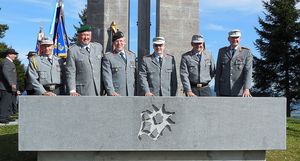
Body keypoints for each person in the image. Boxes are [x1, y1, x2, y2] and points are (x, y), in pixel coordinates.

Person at [65, 24, 103, 96]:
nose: (86, 37)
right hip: (82, 90)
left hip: (98, 89)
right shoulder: (73, 50)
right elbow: (70, 71)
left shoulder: (98, 47)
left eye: (88, 35)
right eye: (84, 35)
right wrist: (72, 90)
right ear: (79, 36)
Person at [215, 29, 253, 97]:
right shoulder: (222, 51)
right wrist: (217, 89)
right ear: (228, 39)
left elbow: (248, 71)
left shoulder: (246, 52)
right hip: (224, 90)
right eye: (232, 37)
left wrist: (246, 88)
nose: (235, 39)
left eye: (237, 37)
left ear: (240, 39)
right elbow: (218, 71)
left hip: (239, 90)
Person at [102, 31, 136, 96]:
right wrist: (111, 91)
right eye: (117, 41)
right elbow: (107, 76)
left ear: (124, 42)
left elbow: (135, 76)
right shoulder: (108, 57)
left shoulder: (132, 55)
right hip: (116, 94)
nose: (119, 43)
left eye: (121, 41)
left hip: (131, 93)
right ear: (113, 43)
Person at [0, 49, 19, 123]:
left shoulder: (8, 62)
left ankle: (6, 116)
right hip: (5, 87)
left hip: (7, 87)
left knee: (8, 102)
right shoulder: (7, 62)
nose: (15, 56)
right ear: (9, 54)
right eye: (13, 54)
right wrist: (11, 83)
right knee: (4, 102)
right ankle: (2, 118)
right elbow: (6, 73)